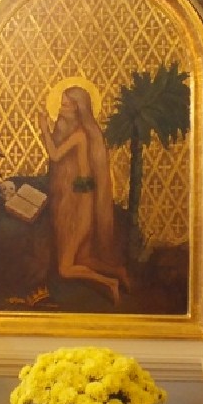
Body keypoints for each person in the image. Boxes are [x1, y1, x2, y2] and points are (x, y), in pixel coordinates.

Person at [38, 83, 128, 304]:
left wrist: (43, 128)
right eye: (61, 104)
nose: (60, 110)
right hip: (77, 200)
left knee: (65, 269)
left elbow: (54, 154)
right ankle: (118, 271)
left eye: (66, 106)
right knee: (84, 258)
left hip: (80, 204)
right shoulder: (75, 132)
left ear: (78, 109)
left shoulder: (79, 134)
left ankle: (110, 283)